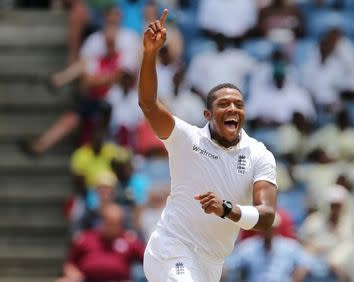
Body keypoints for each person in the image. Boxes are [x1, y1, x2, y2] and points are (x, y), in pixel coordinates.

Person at [139, 10, 278, 281]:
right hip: (172, 248)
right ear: (207, 115)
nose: (232, 108)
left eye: (239, 104)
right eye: (224, 104)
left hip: (212, 262)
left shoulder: (259, 154)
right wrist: (149, 54)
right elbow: (148, 104)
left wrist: (227, 209)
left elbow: (266, 217)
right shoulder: (186, 139)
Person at [57, 203, 145, 282]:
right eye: (110, 222)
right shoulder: (86, 238)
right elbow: (69, 263)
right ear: (102, 221)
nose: (112, 227)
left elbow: (147, 258)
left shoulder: (129, 240)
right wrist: (73, 273)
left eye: (116, 223)